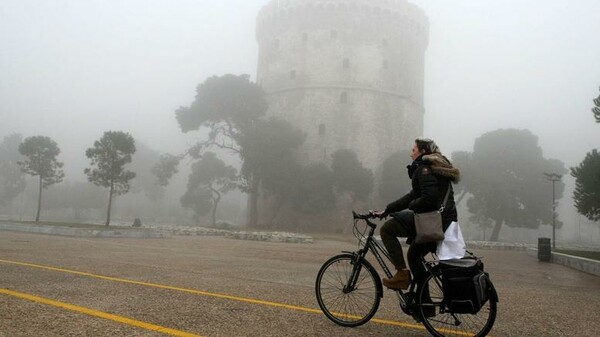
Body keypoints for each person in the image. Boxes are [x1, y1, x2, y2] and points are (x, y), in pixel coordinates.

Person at [374, 138, 460, 291]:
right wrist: (389, 209)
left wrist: (412, 207)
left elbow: (428, 198)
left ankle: (401, 274)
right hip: (444, 221)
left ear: (423, 152)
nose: (411, 154)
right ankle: (423, 304)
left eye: (413, 150)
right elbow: (413, 195)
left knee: (387, 229)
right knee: (414, 256)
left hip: (433, 222)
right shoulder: (436, 168)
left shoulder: (424, 169)